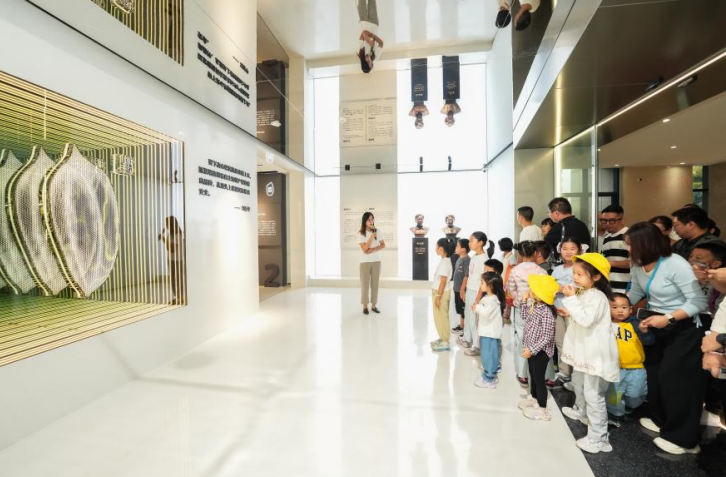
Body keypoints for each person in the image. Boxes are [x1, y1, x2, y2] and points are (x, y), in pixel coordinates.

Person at [625, 222, 708, 455]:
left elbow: (699, 302)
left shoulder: (675, 264)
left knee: (678, 381)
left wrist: (669, 318)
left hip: (684, 326)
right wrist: (617, 305)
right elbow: (635, 292)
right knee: (656, 375)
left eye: (631, 245)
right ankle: (661, 420)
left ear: (645, 244)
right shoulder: (638, 265)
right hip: (655, 323)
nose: (628, 250)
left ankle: (684, 439)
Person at [559, 253, 620, 454]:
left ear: (596, 277)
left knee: (594, 395)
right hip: (585, 350)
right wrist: (570, 311)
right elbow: (583, 316)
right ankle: (582, 411)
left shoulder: (597, 296)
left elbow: (586, 320)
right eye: (574, 273)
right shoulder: (586, 293)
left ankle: (598, 437)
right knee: (581, 384)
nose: (575, 277)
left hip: (595, 353)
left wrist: (570, 300)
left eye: (580, 274)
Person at [606, 293, 654, 428]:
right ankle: (616, 414)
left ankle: (629, 405)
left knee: (636, 394)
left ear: (630, 309)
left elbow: (649, 341)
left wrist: (644, 332)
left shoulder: (635, 324)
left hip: (637, 368)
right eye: (614, 307)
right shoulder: (606, 325)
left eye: (624, 307)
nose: (619, 310)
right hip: (615, 368)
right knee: (614, 395)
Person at [506, 241, 547, 386]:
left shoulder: (515, 270)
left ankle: (523, 374)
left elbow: (510, 288)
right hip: (538, 308)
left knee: (522, 338)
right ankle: (537, 373)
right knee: (537, 339)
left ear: (520, 254)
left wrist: (517, 298)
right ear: (536, 253)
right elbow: (545, 290)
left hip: (521, 308)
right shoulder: (541, 271)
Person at [518, 275, 558, 421]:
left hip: (540, 352)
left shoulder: (546, 312)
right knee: (533, 375)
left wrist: (532, 350)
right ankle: (534, 398)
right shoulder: (535, 305)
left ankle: (543, 409)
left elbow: (547, 337)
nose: (529, 290)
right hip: (532, 349)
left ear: (540, 294)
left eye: (532, 289)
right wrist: (524, 301)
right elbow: (524, 316)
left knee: (539, 379)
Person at [550, 237, 583, 388]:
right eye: (565, 249)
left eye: (572, 248)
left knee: (574, 343)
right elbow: (550, 287)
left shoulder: (581, 268)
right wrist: (562, 288)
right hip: (557, 309)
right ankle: (564, 373)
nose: (568, 252)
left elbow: (578, 289)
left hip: (573, 312)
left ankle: (576, 375)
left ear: (579, 251)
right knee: (560, 342)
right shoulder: (557, 269)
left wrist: (560, 288)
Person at [458, 232, 491, 356]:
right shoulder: (474, 257)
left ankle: (477, 346)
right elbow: (469, 275)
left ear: (480, 243)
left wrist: (478, 297)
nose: (469, 243)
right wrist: (464, 289)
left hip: (477, 292)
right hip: (470, 290)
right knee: (468, 315)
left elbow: (483, 281)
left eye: (472, 240)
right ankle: (467, 339)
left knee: (475, 319)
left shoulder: (484, 259)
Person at [473, 272, 506, 389]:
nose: (480, 284)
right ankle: (491, 375)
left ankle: (489, 379)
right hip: (487, 332)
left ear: (490, 285)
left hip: (489, 334)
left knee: (489, 356)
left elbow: (487, 313)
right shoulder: (488, 298)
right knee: (489, 355)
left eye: (482, 282)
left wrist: (477, 307)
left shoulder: (492, 300)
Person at [545, 197, 591, 264]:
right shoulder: (582, 224)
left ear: (556, 213)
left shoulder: (559, 227)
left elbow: (545, 247)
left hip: (564, 266)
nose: (549, 215)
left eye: (549, 212)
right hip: (583, 265)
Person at [430, 238, 456, 352]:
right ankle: (442, 337)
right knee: (439, 317)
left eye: (436, 247)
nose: (435, 249)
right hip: (439, 292)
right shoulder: (444, 261)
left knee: (442, 317)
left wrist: (438, 297)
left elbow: (443, 281)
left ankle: (445, 341)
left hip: (441, 293)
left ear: (441, 249)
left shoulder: (445, 262)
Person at [358, 212, 386, 314]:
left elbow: (383, 245)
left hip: (376, 261)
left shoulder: (378, 231)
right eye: (369, 219)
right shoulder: (361, 233)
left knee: (375, 284)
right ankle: (365, 306)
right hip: (364, 262)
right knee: (365, 284)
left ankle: (374, 305)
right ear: (365, 221)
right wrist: (371, 237)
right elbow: (364, 249)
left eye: (372, 219)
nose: (371, 221)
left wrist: (373, 249)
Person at [600, 205, 631, 294]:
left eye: (612, 220)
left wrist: (609, 263)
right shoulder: (606, 238)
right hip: (609, 287)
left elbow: (635, 263)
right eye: (604, 220)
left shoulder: (630, 235)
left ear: (622, 219)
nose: (607, 224)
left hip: (626, 288)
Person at [158, 216, 186, 305]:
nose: (165, 225)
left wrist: (163, 238)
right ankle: (176, 297)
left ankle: (181, 297)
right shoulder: (170, 234)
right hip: (171, 259)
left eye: (167, 223)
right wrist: (163, 238)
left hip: (178, 260)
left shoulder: (178, 234)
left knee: (178, 279)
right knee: (173, 279)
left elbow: (172, 249)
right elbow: (168, 248)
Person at [356, 0, 383, 73]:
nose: (369, 60)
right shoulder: (376, 56)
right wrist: (371, 36)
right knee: (372, 1)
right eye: (370, 63)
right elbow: (381, 43)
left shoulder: (361, 52)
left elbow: (363, 33)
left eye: (367, 62)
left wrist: (370, 41)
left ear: (363, 61)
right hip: (374, 23)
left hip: (363, 21)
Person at [451, 239, 471, 336]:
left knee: (463, 309)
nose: (456, 248)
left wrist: (462, 289)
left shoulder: (467, 260)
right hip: (456, 289)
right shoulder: (459, 258)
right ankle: (462, 325)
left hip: (462, 290)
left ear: (463, 249)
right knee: (459, 308)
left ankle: (465, 328)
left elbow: (466, 276)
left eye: (457, 246)